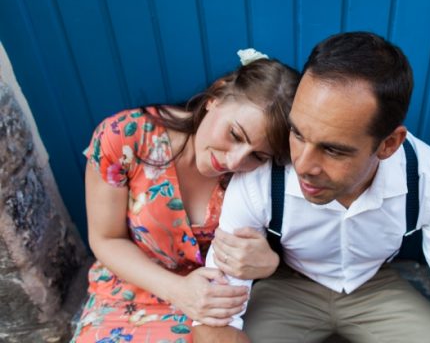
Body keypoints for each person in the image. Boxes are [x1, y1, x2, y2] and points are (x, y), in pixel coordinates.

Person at [196, 32, 430, 343]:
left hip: (375, 287)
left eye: (333, 150)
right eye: (298, 134)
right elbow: (216, 315)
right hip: (288, 287)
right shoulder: (261, 175)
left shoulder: (428, 179)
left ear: (389, 144)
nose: (302, 165)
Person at [70, 51, 300, 343]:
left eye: (257, 154)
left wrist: (270, 263)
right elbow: (106, 239)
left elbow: (301, 249)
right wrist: (178, 291)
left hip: (216, 306)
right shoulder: (125, 137)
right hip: (128, 289)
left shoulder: (263, 178)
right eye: (235, 134)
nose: (234, 161)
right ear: (215, 97)